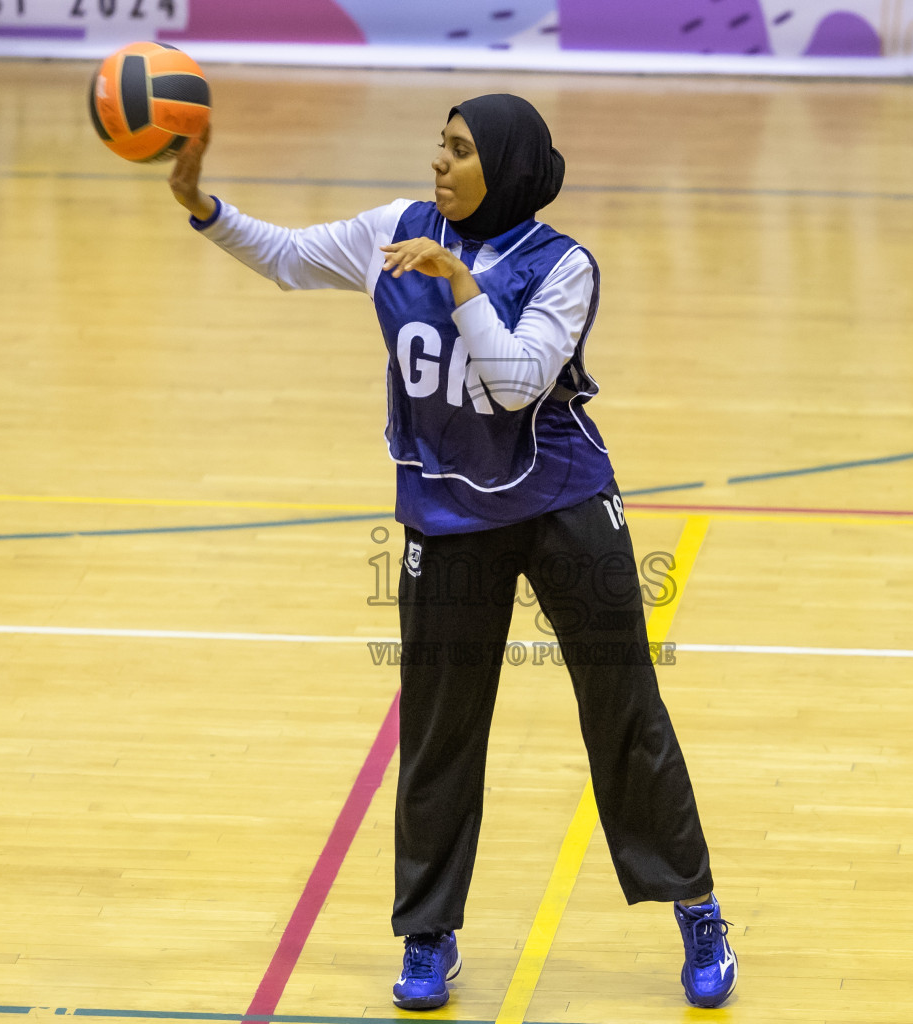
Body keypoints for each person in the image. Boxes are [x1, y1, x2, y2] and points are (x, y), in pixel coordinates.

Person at [167, 93, 737, 1011]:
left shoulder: (563, 267)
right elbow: (286, 258)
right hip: (447, 515)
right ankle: (429, 933)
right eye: (439, 144)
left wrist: (458, 281)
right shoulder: (396, 229)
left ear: (504, 168)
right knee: (438, 728)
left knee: (624, 706)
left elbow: (514, 386)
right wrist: (203, 206)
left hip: (563, 503)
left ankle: (697, 908)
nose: (439, 162)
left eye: (460, 150)